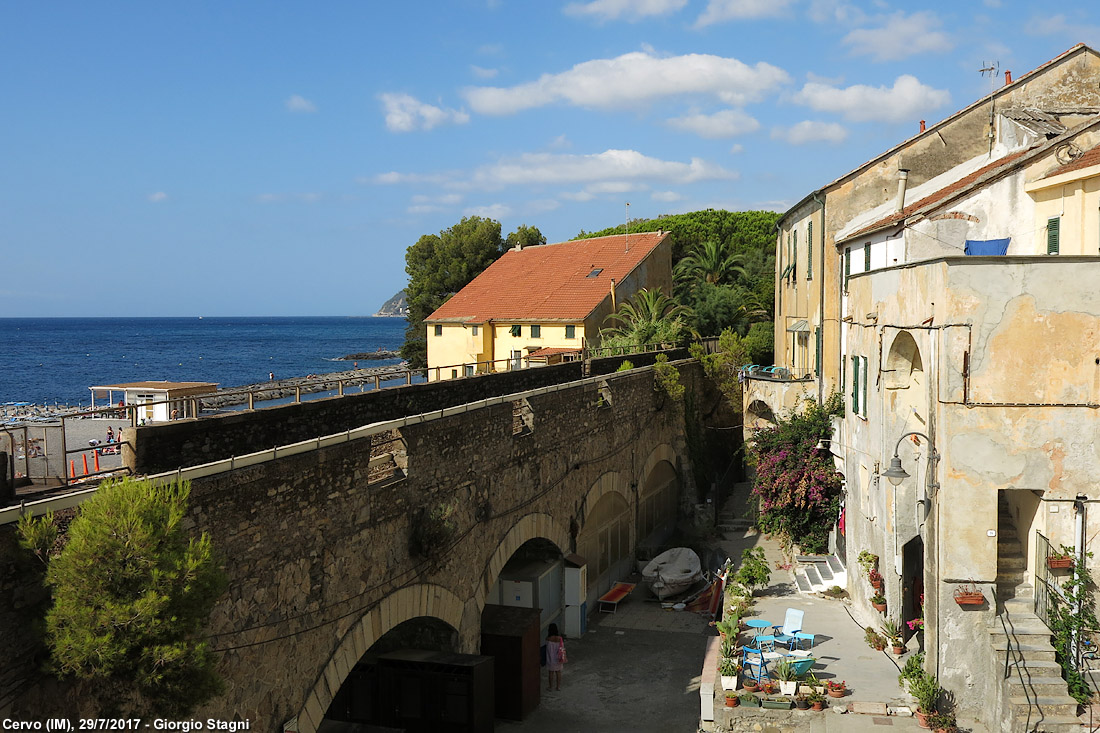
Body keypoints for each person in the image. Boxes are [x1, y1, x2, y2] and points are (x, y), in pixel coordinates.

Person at [545, 622, 565, 691]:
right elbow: (562, 648)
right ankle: (558, 687)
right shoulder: (560, 639)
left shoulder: (548, 639)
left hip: (550, 658)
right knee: (558, 672)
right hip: (558, 658)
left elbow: (547, 649)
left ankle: (550, 687)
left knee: (551, 673)